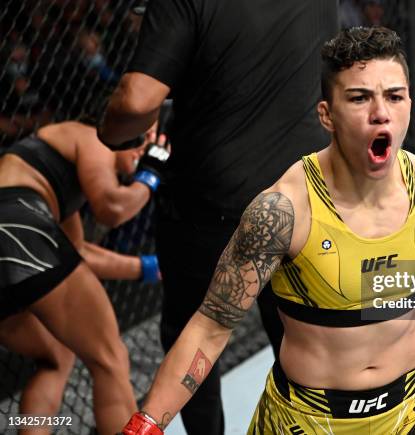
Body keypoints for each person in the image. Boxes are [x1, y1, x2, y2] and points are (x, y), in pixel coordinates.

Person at [120, 27, 415, 435]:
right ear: (327, 114)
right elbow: (211, 326)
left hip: (414, 412)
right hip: (307, 421)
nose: (381, 112)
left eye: (394, 96)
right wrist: (147, 424)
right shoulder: (281, 211)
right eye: (359, 98)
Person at [97, 1, 338, 433]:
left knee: (198, 335)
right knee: (304, 339)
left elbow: (137, 99)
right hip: (301, 194)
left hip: (211, 203)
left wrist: (110, 131)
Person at [0, 119, 167, 434]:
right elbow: (112, 207)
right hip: (17, 227)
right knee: (109, 358)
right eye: (142, 139)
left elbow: (75, 254)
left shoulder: (52, 187)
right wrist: (151, 174)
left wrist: (150, 267)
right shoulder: (92, 136)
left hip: (19, 235)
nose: (145, 149)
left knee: (56, 357)